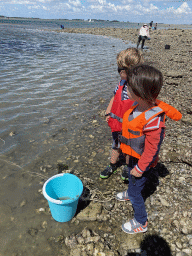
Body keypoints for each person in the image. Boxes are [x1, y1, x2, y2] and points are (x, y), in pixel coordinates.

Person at [116, 64, 182, 234]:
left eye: (129, 88)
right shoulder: (138, 107)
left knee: (136, 192)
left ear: (140, 93)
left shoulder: (154, 121)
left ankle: (141, 221)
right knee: (131, 179)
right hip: (132, 157)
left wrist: (140, 168)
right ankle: (131, 191)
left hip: (141, 161)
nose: (126, 89)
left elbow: (152, 150)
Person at [100, 48, 144, 180]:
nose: (119, 72)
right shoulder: (121, 83)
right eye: (118, 69)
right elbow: (114, 97)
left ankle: (127, 166)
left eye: (121, 70)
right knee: (116, 144)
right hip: (117, 122)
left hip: (130, 126)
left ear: (132, 71)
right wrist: (108, 111)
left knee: (129, 147)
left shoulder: (137, 87)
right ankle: (112, 165)